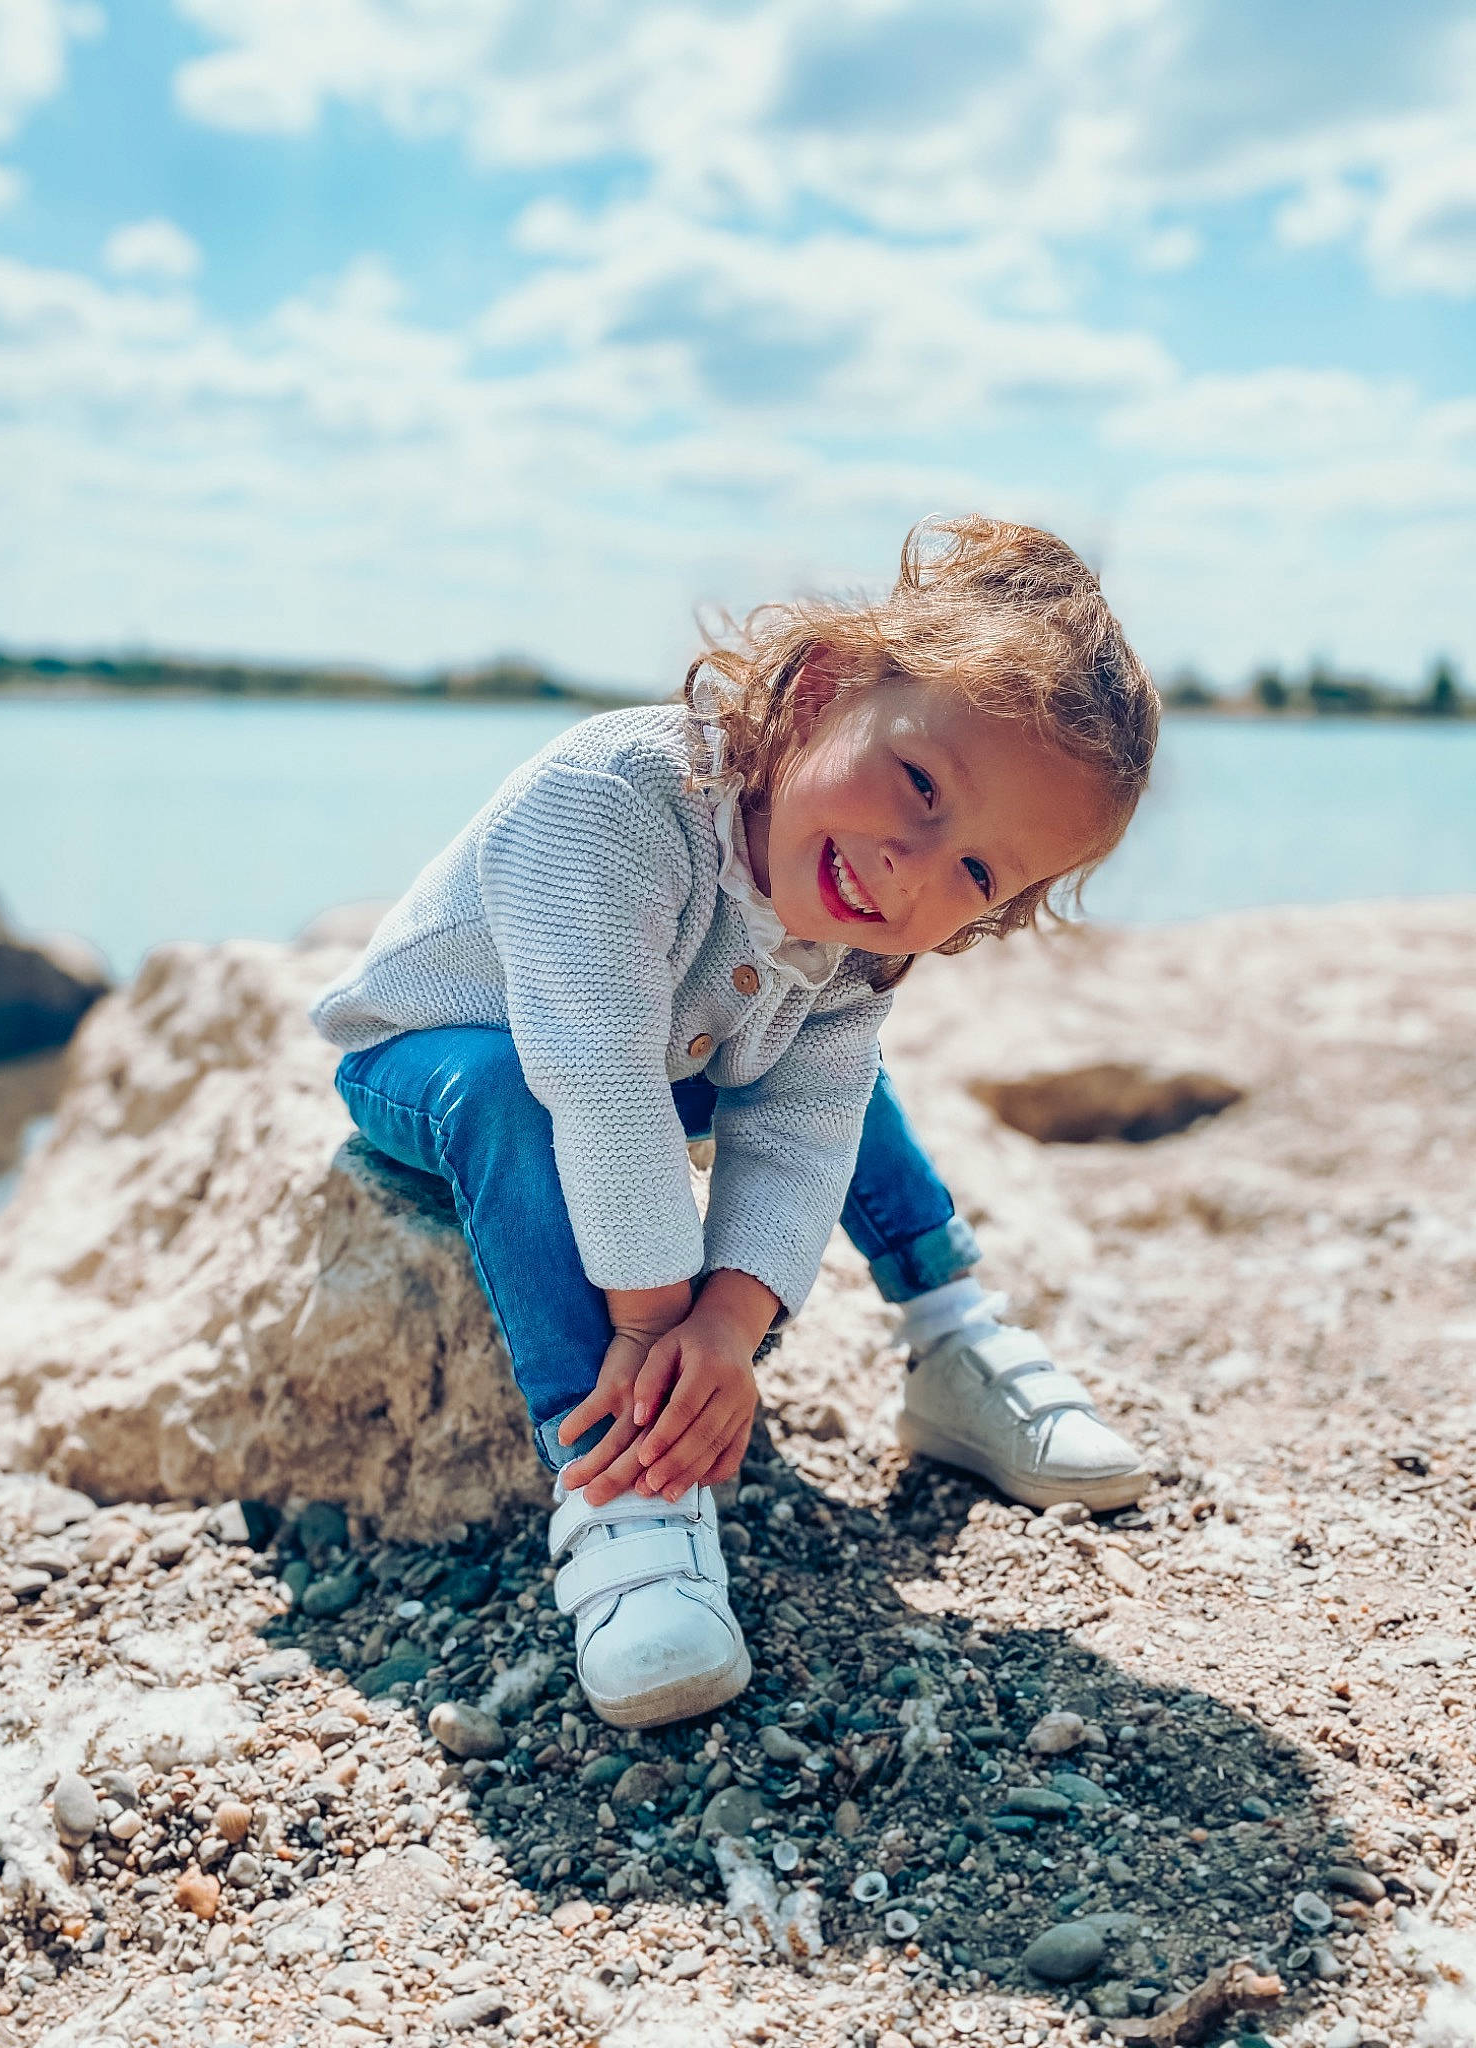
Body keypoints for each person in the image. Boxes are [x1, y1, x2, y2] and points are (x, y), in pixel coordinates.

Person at [311, 516, 1161, 1730]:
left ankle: (949, 1331)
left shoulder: (859, 921)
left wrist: (735, 1314)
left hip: (666, 1060)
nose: (911, 868)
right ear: (821, 692)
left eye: (977, 875)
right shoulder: (610, 801)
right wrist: (668, 1338)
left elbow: (800, 1127)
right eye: (920, 783)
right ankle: (618, 1483)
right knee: (510, 1095)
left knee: (837, 1075)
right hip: (444, 1047)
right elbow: (596, 1079)